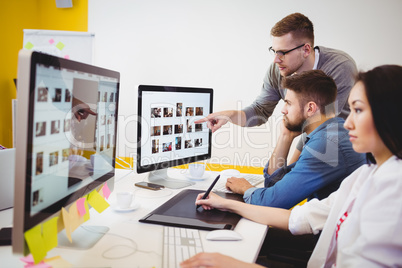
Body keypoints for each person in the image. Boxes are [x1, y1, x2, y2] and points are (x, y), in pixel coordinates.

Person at [180, 65, 402, 268]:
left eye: (358, 110)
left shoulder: (331, 144)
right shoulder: (363, 172)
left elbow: (274, 200)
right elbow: (283, 195)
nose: (348, 122)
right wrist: (227, 204)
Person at [196, 12, 357, 164]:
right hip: (316, 148)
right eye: (273, 51)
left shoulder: (339, 67)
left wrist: (286, 177)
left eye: (282, 52)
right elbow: (260, 111)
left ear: (306, 50)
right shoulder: (278, 71)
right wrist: (229, 116)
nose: (275, 60)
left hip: (342, 153)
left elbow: (317, 125)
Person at [227, 70, 365, 209]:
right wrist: (285, 137)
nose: (283, 110)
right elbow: (274, 185)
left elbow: (272, 203)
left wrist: (245, 188)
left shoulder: (326, 144)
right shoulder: (331, 132)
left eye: (288, 103)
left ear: (310, 108)